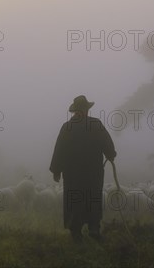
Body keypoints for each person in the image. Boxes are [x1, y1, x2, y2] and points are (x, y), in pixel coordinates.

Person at [50, 95, 116, 242]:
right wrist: (111, 154)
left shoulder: (67, 127)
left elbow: (59, 149)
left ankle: (76, 233)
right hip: (93, 173)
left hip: (73, 174)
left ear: (75, 111)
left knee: (74, 200)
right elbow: (107, 144)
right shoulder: (95, 124)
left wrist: (56, 170)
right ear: (86, 110)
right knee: (93, 198)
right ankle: (94, 228)